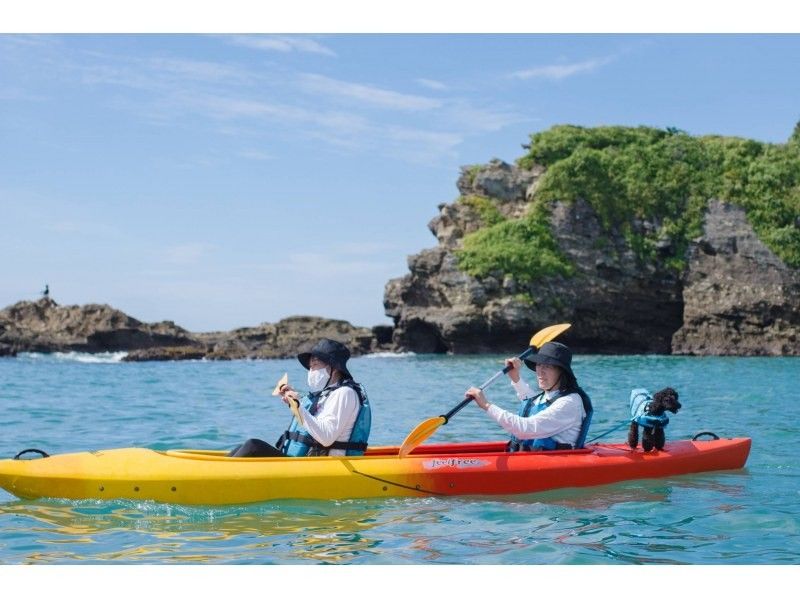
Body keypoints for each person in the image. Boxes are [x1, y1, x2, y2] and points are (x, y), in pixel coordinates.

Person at [228, 338, 371, 458]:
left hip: (324, 467)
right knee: (241, 447)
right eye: (310, 367)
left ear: (334, 368)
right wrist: (294, 403)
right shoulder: (327, 394)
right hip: (304, 462)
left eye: (315, 365)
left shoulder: (345, 393)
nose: (311, 371)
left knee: (253, 446)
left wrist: (298, 407)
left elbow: (326, 437)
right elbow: (312, 420)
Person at [465, 341, 593, 451]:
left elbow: (525, 428)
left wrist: (486, 405)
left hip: (554, 467)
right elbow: (531, 403)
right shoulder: (550, 395)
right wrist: (515, 378)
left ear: (562, 372)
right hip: (533, 460)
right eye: (539, 365)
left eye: (547, 366)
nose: (540, 371)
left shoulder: (569, 402)